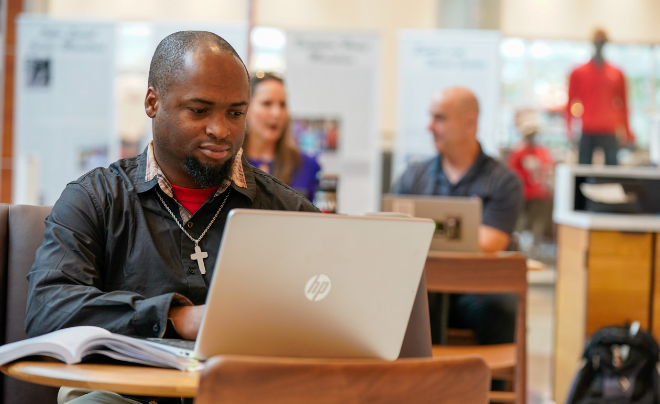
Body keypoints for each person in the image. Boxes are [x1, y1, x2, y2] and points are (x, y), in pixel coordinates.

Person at [25, 31, 318, 404]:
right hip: (124, 395)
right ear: (152, 102)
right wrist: (175, 318)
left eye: (236, 113)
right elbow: (48, 308)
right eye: (199, 110)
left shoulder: (287, 210)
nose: (221, 130)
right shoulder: (95, 199)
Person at [391, 87, 523, 346]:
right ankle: (409, 385)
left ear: (469, 122)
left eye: (439, 118)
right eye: (430, 117)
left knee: (500, 311)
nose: (430, 127)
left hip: (475, 290)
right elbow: (392, 234)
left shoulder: (504, 182)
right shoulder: (413, 177)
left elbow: (490, 244)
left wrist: (423, 234)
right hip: (420, 287)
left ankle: (489, 385)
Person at [243, 73, 321, 200]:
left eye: (282, 105)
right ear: (246, 108)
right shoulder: (230, 163)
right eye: (267, 104)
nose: (277, 113)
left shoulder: (307, 166)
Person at [567, 28, 634, 165]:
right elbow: (570, 102)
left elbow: (624, 105)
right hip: (587, 129)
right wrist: (569, 128)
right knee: (583, 170)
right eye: (597, 41)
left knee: (611, 172)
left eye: (602, 41)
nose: (599, 44)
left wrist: (627, 132)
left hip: (609, 129)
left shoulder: (617, 73)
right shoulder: (578, 72)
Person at [508, 123, 554, 251]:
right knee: (521, 222)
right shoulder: (518, 153)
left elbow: (548, 170)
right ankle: (519, 247)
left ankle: (535, 247)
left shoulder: (542, 152)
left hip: (538, 194)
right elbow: (512, 172)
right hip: (522, 194)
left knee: (538, 222)